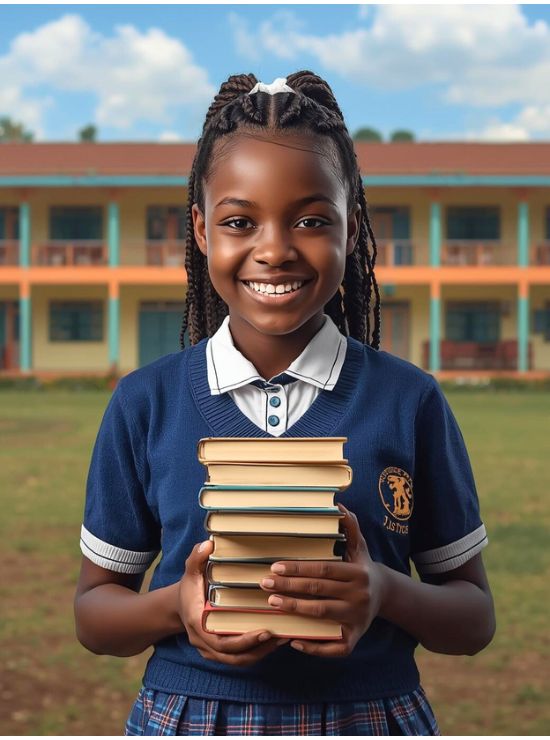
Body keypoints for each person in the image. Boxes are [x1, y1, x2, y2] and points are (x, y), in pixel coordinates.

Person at [74, 71, 496, 736]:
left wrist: (383, 593)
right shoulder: (144, 403)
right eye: (240, 221)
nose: (274, 249)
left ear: (352, 230)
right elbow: (95, 613)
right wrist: (176, 607)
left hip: (370, 714)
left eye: (311, 220)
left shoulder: (408, 400)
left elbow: (474, 618)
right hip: (190, 717)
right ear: (202, 230)